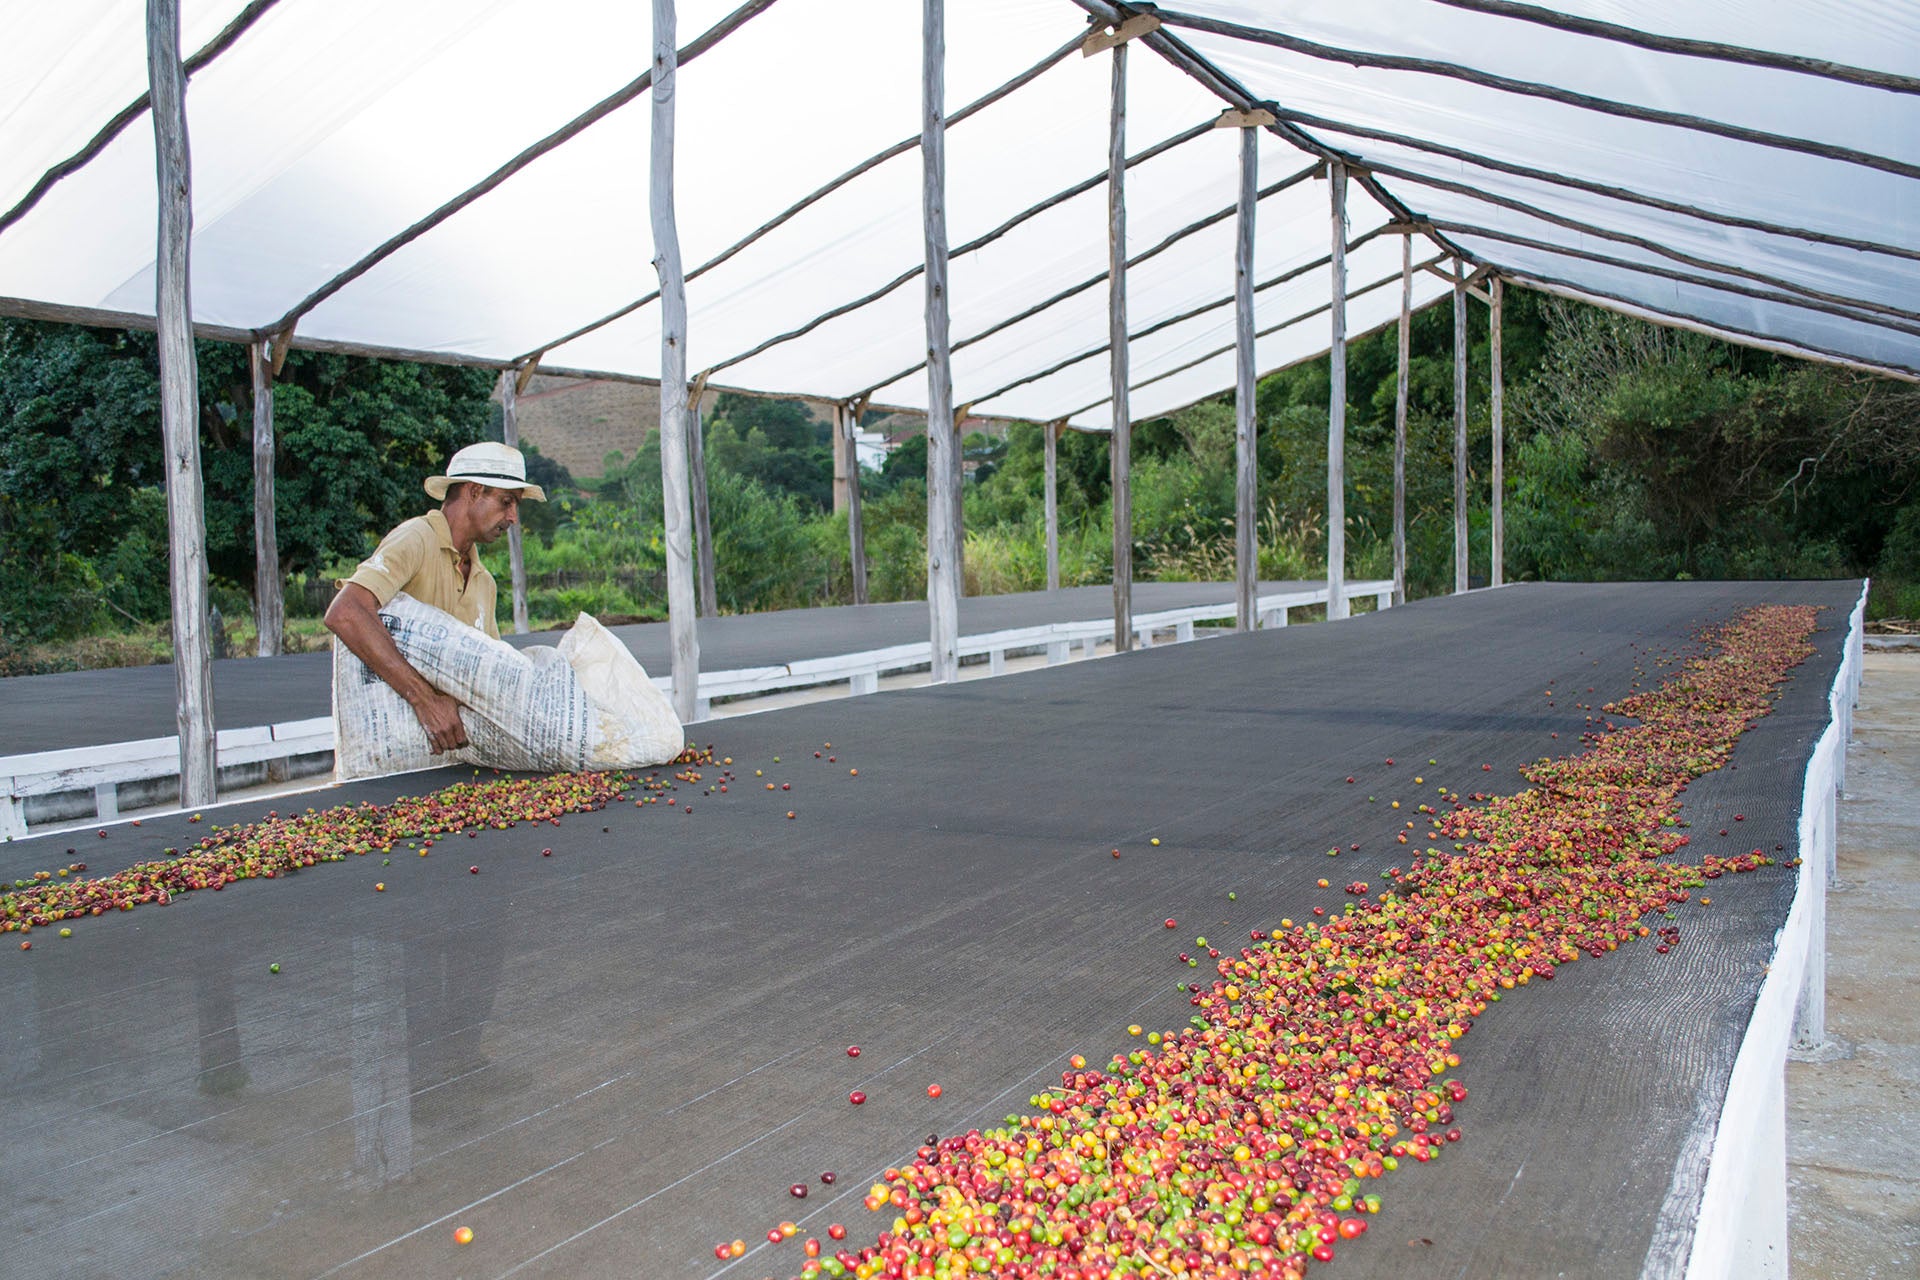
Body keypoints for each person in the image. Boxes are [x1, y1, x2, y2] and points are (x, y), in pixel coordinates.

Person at [324, 441, 546, 755]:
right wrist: (424, 701)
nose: (512, 517)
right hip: (393, 753)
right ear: (473, 491)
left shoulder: (484, 582)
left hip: (451, 758)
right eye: (506, 501)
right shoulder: (417, 538)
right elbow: (346, 612)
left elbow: (487, 673)